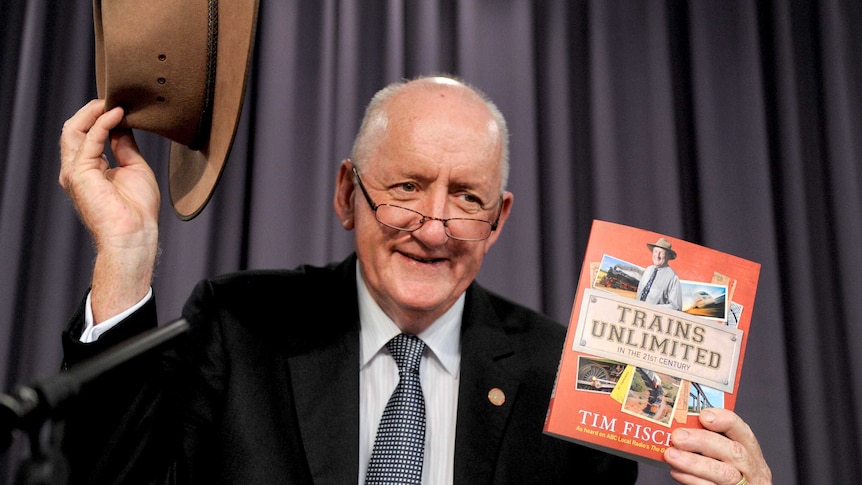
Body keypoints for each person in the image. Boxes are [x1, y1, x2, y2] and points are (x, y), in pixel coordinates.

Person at [58, 75, 772, 484]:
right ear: (346, 193)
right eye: (405, 187)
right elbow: (106, 478)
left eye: (467, 197)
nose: (434, 227)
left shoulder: (568, 378)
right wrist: (126, 253)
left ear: (498, 219)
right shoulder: (243, 323)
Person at [637, 237, 683, 310]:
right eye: (655, 251)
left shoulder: (673, 277)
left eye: (661, 252)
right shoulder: (648, 270)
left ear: (668, 256)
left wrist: (654, 308)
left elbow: (676, 307)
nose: (657, 255)